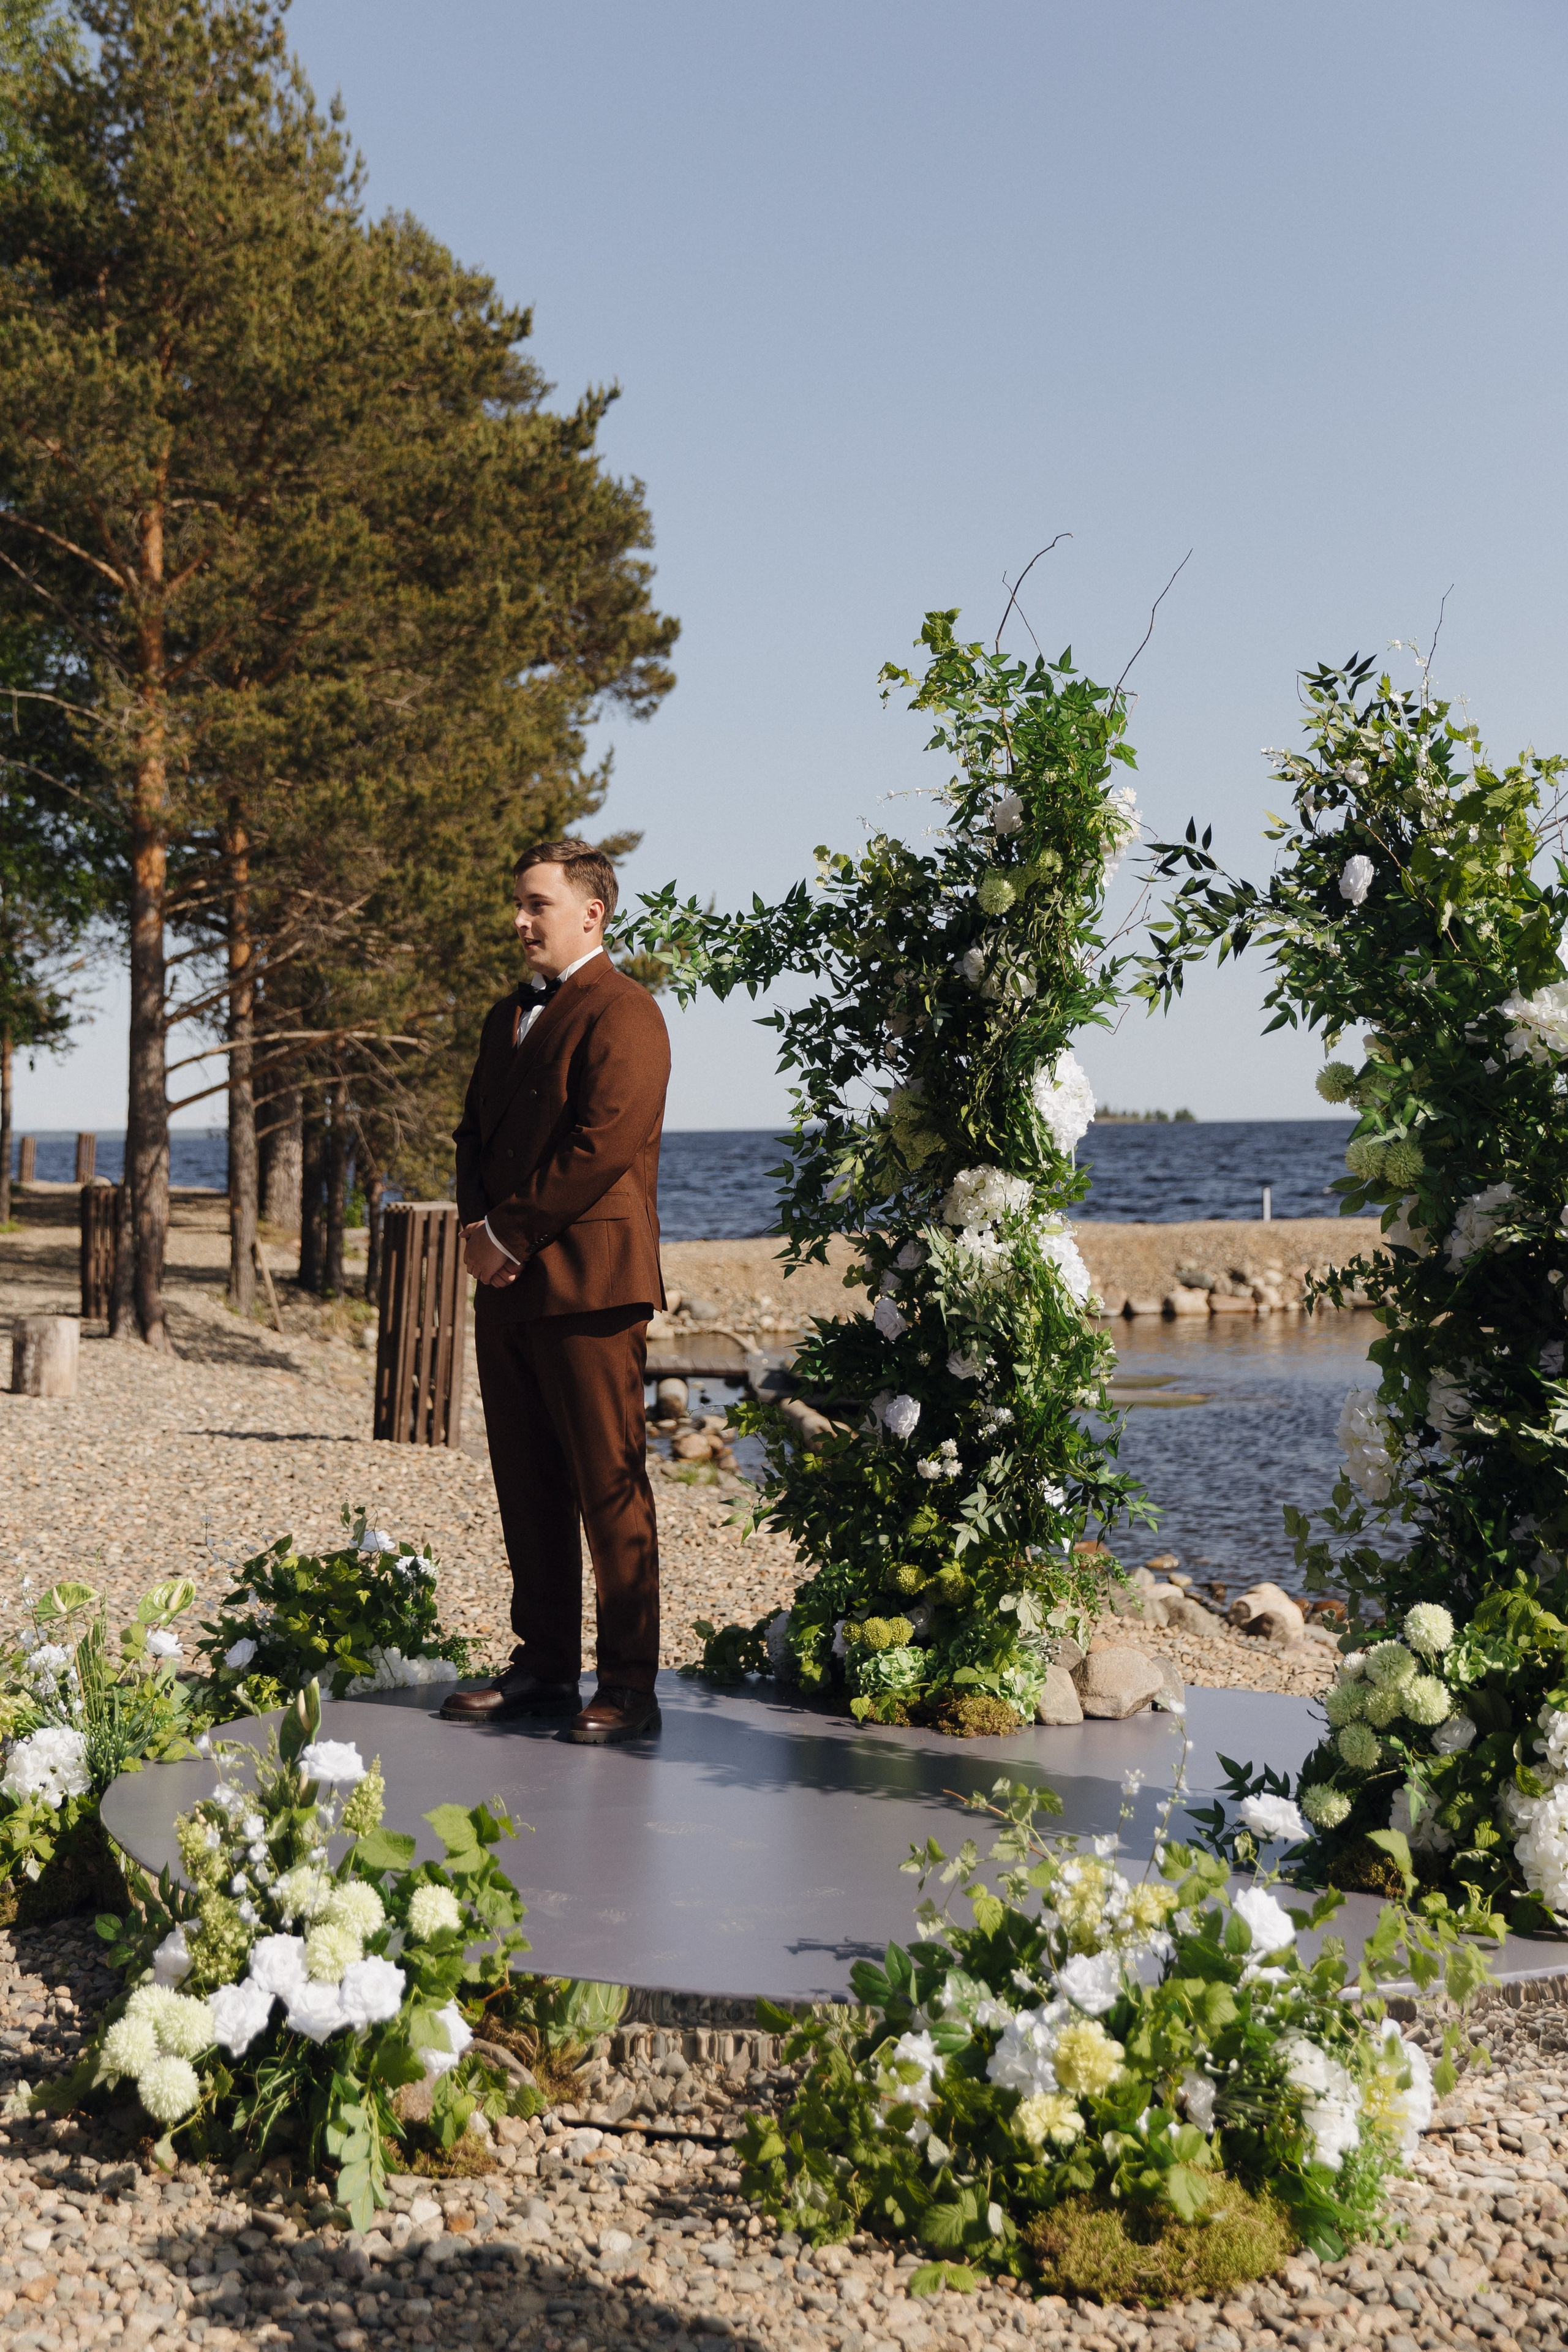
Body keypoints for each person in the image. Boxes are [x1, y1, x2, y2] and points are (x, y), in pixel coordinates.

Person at [443, 839, 671, 1743]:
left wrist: (506, 1234)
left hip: (592, 1287)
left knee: (608, 1485)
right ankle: (543, 1668)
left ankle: (630, 1687)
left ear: (591, 912)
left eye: (536, 903)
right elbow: (472, 1134)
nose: (520, 920)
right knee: (527, 1483)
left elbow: (602, 1143)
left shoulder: (628, 1011)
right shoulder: (506, 1016)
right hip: (507, 1286)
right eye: (518, 903)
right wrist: (480, 1233)